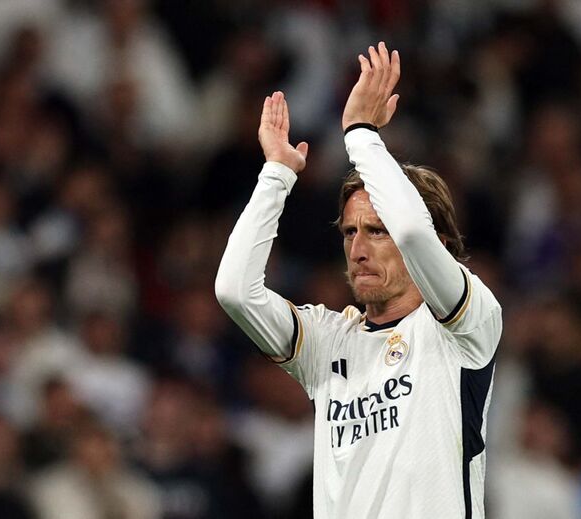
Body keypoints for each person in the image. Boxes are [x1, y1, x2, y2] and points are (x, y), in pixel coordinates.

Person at [215, 42, 502, 518]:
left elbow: (413, 231)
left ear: (440, 246)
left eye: (377, 231)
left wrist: (361, 133)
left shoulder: (465, 327)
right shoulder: (327, 342)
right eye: (350, 232)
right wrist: (277, 175)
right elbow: (234, 291)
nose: (358, 248)